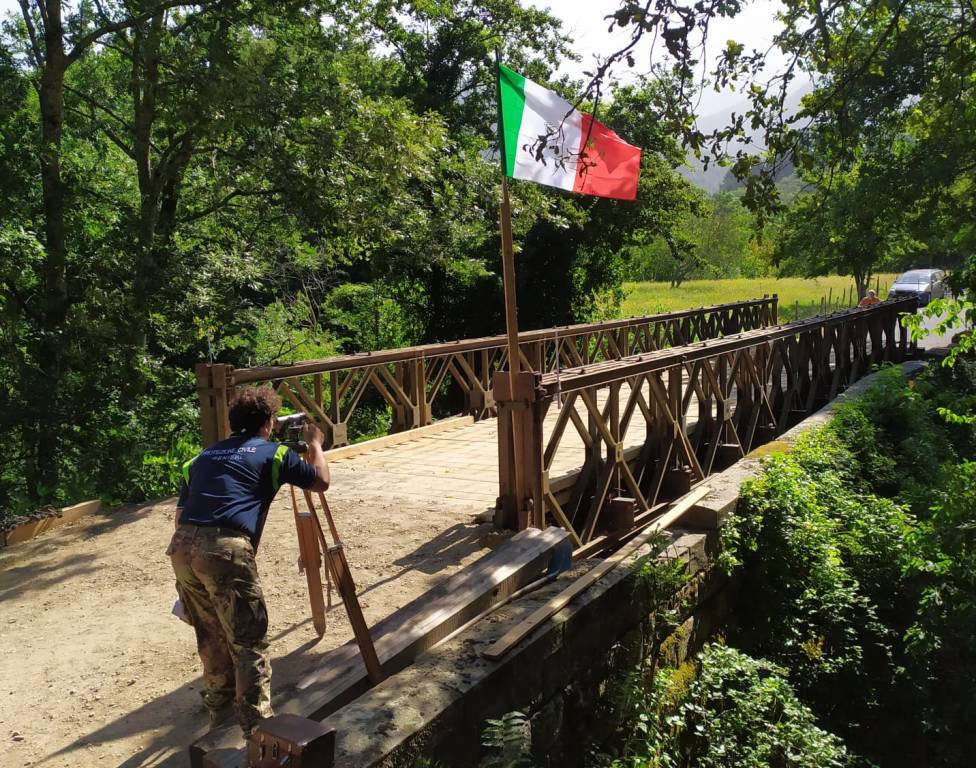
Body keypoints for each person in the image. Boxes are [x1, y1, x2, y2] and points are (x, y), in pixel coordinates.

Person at [167, 387, 330, 736]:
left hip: (182, 547)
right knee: (248, 642)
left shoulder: (202, 457)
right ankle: (257, 729)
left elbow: (181, 516)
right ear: (269, 423)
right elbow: (321, 481)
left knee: (210, 633)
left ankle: (219, 714)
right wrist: (315, 443)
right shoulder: (275, 454)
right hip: (227, 548)